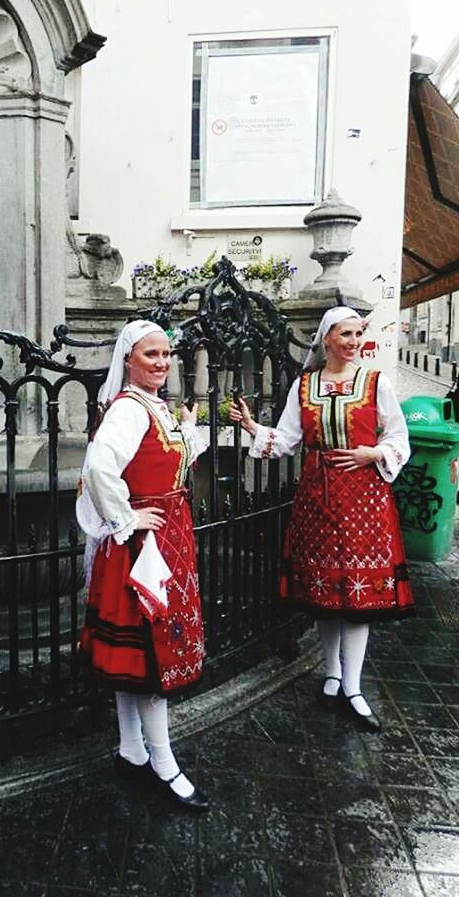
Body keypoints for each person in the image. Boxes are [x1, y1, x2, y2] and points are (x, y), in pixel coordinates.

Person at [229, 307, 413, 732]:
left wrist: (374, 454)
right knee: (325, 591)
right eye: (344, 334)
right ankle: (331, 674)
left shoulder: (375, 382)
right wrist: (255, 427)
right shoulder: (305, 384)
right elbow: (289, 439)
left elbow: (398, 436)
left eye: (356, 334)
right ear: (327, 339)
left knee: (358, 600)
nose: (352, 341)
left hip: (364, 499)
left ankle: (354, 686)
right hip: (316, 496)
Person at [77, 319, 210, 811]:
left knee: (133, 658)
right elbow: (97, 466)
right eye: (151, 354)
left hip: (165, 537)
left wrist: (190, 431)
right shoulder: (129, 410)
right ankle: (164, 763)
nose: (162, 362)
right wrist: (125, 517)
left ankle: (131, 750)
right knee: (151, 656)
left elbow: (168, 460)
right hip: (143, 545)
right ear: (128, 360)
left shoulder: (154, 408)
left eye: (166, 354)